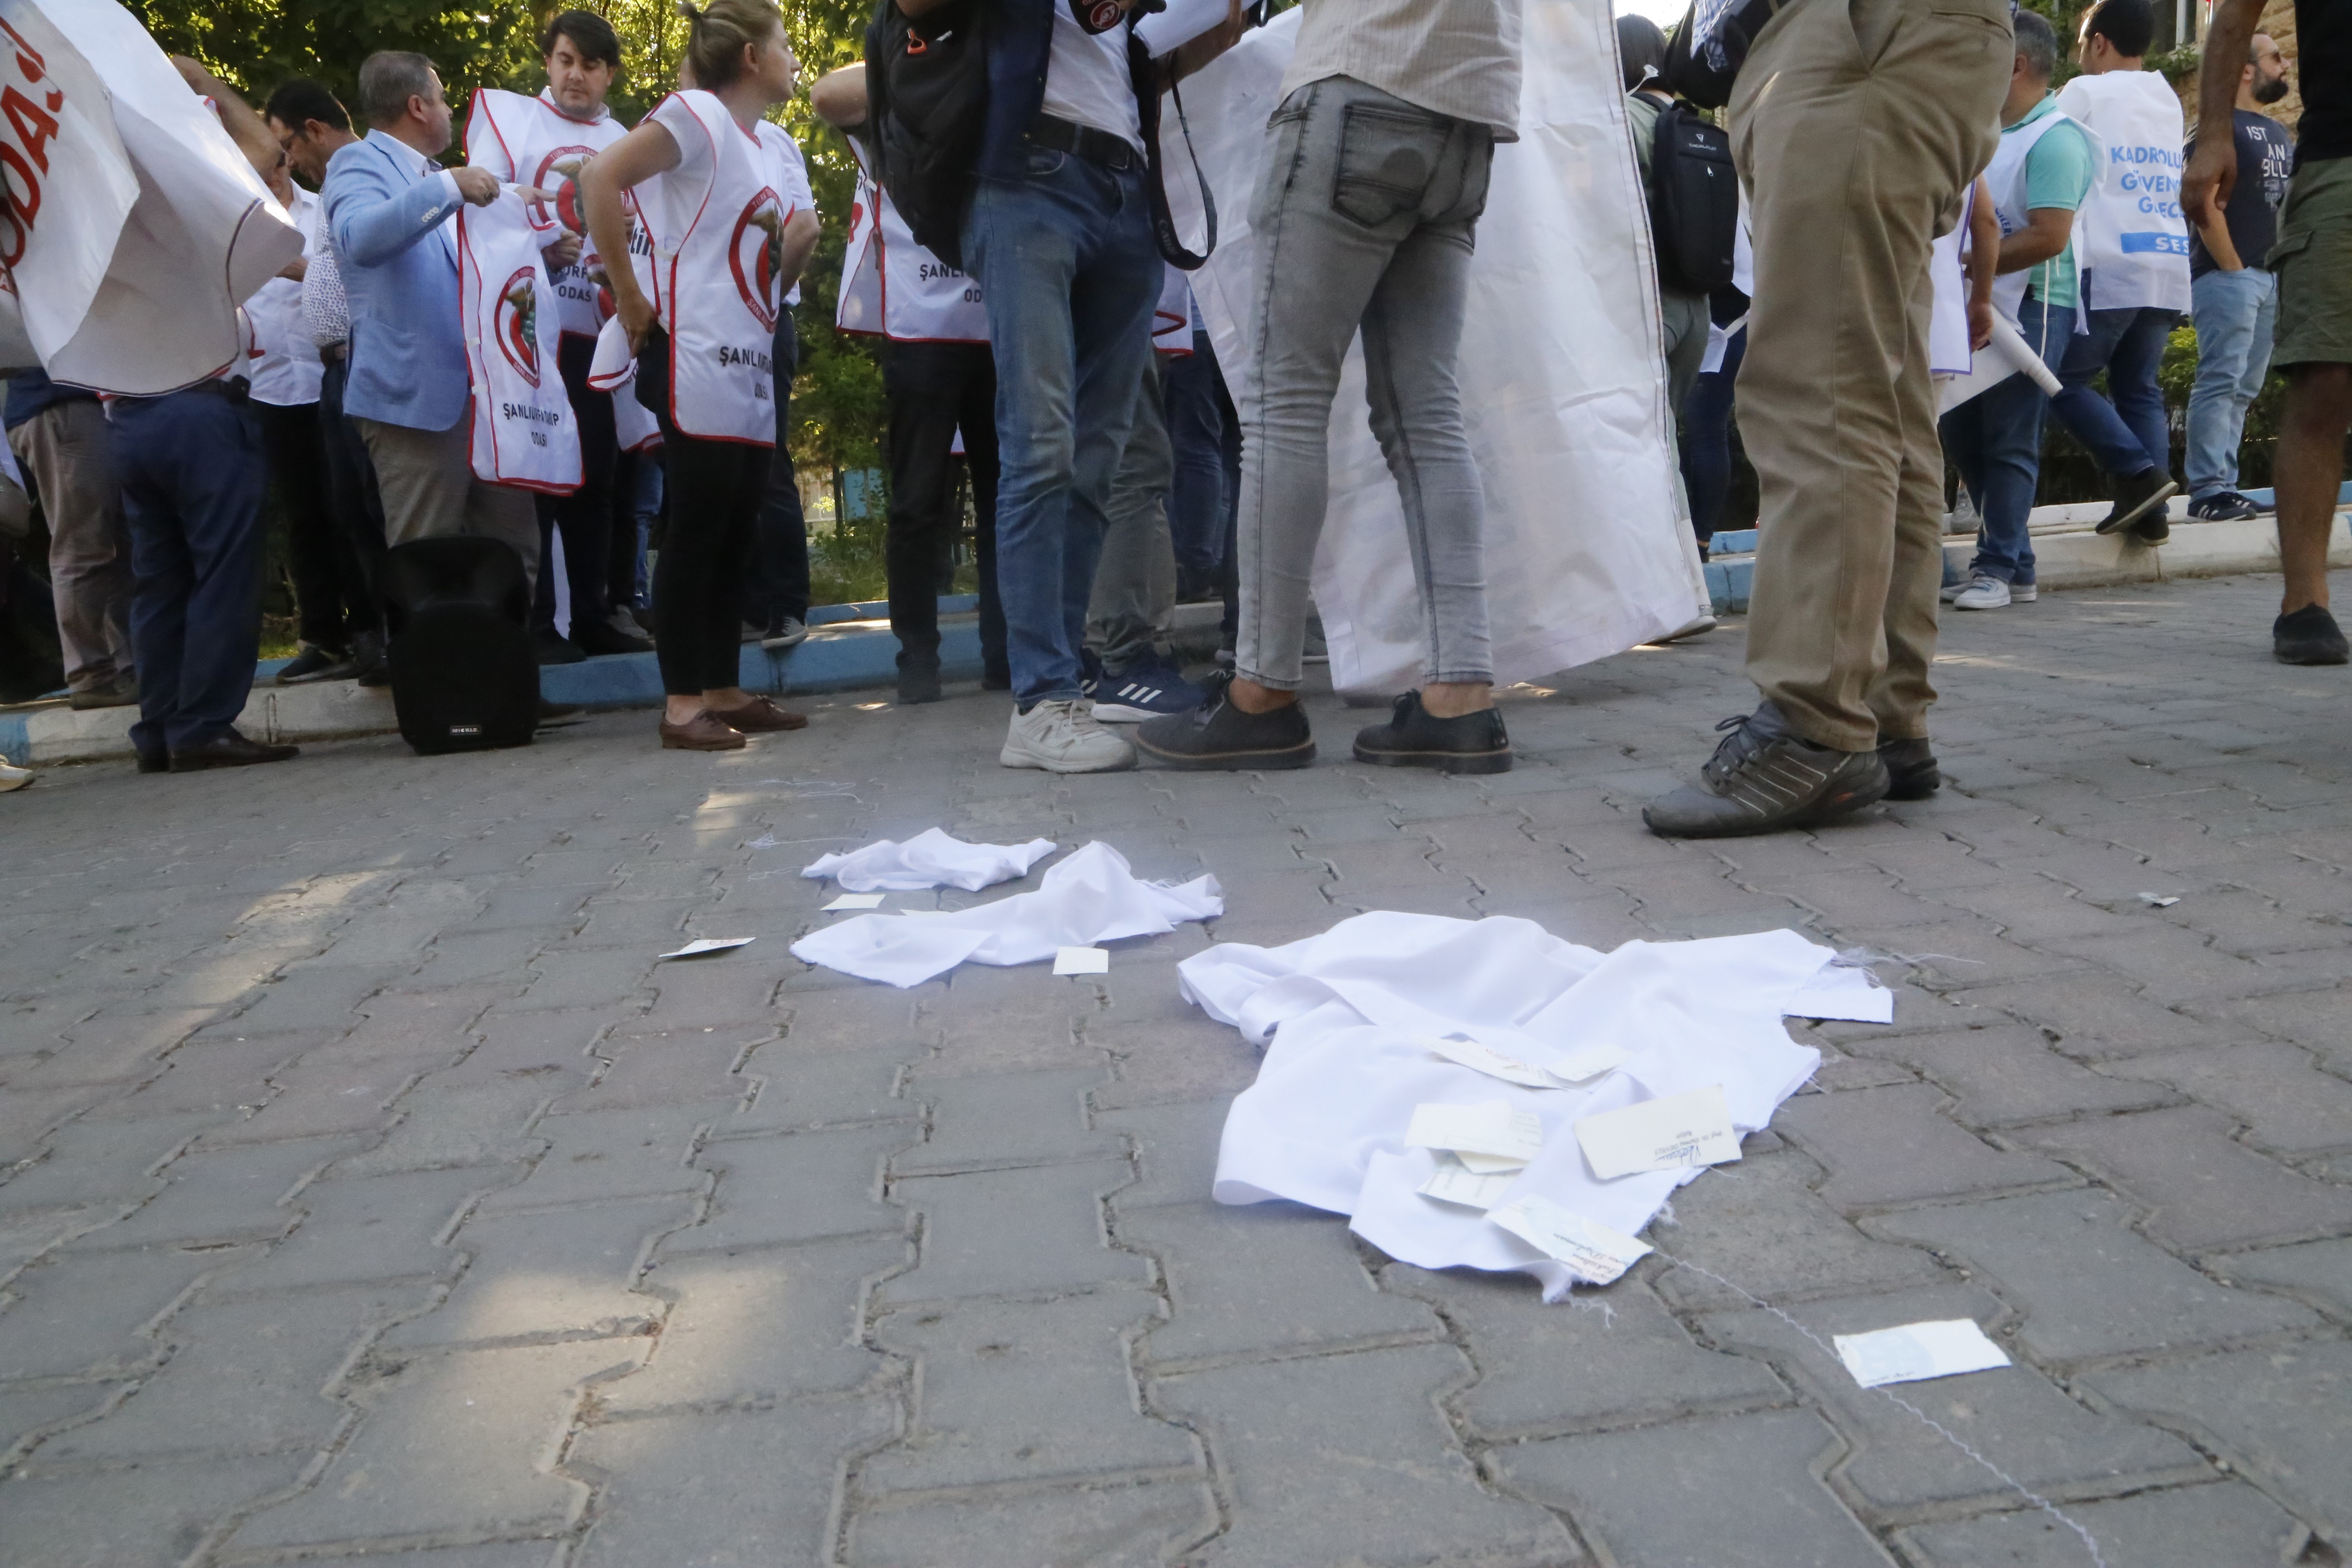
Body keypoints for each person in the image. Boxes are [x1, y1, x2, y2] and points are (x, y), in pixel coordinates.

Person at [1643, 0, 2010, 836]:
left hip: (1856, 35)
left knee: (1819, 380)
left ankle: (1815, 727)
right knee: (1882, 392)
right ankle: (1883, 713)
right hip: (1912, 38)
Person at [1136, 0, 1522, 776]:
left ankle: (1260, 697)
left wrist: (1134, 43)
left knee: (1285, 404)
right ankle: (1460, 696)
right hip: (1468, 110)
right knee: (1427, 416)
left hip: (1355, 87)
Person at [888, 0, 1242, 772]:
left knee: (1096, 457)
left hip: (1123, 186)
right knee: (1040, 444)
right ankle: (1039, 702)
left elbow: (1169, 44)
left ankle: (1068, 692)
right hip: (1023, 178)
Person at [579, 0, 811, 750]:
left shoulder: (751, 144)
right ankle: (682, 703)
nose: (791, 56)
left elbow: (752, 264)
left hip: (744, 360)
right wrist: (629, 294)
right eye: (782, 43)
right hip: (695, 355)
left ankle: (722, 687)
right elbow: (599, 177)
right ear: (750, 55)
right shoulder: (696, 114)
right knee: (698, 526)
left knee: (736, 526)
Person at [112, 62, 300, 773]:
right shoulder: (179, 201)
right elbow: (267, 154)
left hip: (127, 412)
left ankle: (159, 728)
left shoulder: (96, 210)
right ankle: (204, 725)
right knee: (224, 569)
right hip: (198, 408)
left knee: (161, 580)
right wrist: (202, 79)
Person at [811, 61, 1009, 705]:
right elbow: (827, 95)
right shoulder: (893, 104)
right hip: (920, 331)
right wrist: (928, 54)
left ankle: (1007, 656)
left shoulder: (1000, 79)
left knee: (1007, 501)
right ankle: (917, 660)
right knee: (915, 504)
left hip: (998, 323)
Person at [469, 11, 653, 664]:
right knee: (541, 477)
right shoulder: (511, 121)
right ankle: (542, 623)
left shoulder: (626, 139)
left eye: (592, 64)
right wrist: (543, 240)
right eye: (566, 59)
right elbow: (482, 198)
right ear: (548, 62)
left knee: (598, 477)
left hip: (597, 335)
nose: (577, 75)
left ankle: (598, 613)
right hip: (527, 335)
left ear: (610, 73)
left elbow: (648, 228)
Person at [323, 53, 542, 588]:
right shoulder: (357, 164)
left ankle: (503, 669)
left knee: (515, 556)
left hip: (486, 399)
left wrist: (538, 246)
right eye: (443, 100)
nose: (450, 112)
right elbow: (360, 240)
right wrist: (449, 190)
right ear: (418, 106)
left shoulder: (439, 178)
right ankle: (432, 674)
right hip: (413, 404)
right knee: (427, 562)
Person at [2188, 0, 2352, 665]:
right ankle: (2305, 600)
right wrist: (2215, 134)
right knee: (2327, 376)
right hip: (2343, 156)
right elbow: (2234, 16)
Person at [1939, 12, 2094, 613]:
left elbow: (2051, 237)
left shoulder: (2055, 137)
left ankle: (1997, 565)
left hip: (2033, 305)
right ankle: (2016, 564)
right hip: (1980, 302)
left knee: (2009, 438)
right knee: (1963, 432)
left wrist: (1971, 265)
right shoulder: (1987, 134)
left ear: (2016, 65)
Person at [2045, 0, 2193, 542]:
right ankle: (2151, 513)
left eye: (2083, 44)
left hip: (2108, 259)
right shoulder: (2165, 96)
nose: (2080, 56)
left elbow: (2050, 151)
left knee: (2060, 379)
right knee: (2140, 388)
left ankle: (2138, 473)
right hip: (2164, 258)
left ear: (2100, 43)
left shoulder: (2084, 93)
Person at [267, 80, 391, 687]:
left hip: (367, 364)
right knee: (343, 513)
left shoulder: (360, 179)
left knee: (375, 507)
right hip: (323, 377)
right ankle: (366, 636)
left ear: (314, 129)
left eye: (288, 144)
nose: (286, 160)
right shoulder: (336, 184)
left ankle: (398, 636)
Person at [246, 125, 376, 685]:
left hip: (337, 376)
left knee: (354, 509)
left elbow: (351, 277)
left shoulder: (325, 206)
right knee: (305, 517)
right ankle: (324, 637)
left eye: (281, 151)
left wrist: (304, 270)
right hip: (272, 388)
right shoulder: (236, 222)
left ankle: (374, 629)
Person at [2182, 32, 2294, 523]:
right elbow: (2200, 199)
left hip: (2268, 278)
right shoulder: (2215, 128)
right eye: (2276, 57)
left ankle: (2226, 486)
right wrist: (2232, 265)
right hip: (2230, 276)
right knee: (2220, 379)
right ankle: (2207, 489)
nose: (2285, 64)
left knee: (2244, 388)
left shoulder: (2277, 131)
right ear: (2246, 70)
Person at [3, 370, 134, 709]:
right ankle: (91, 676)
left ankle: (127, 665)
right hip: (58, 404)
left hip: (83, 404)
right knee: (82, 546)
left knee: (116, 545)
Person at [746, 113, 822, 655]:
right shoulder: (684, 133)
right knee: (717, 470)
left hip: (764, 323)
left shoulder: (771, 139)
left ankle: (787, 606)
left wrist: (766, 302)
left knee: (767, 462)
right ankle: (745, 604)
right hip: (702, 326)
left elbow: (805, 227)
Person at [1621, 15, 1710, 416]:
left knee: (1647, 447)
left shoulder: (1621, 118)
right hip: (1699, 308)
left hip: (1646, 302)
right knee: (1667, 430)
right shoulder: (1694, 123)